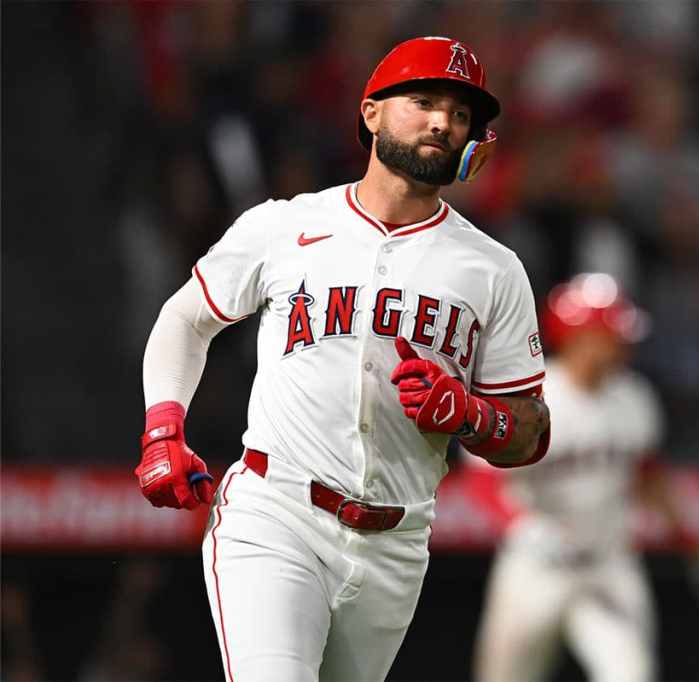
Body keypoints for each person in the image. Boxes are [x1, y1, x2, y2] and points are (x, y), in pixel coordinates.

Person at [132, 36, 551, 682]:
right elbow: (186, 317)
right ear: (371, 112)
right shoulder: (286, 225)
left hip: (397, 543)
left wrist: (472, 415)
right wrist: (163, 424)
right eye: (424, 101)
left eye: (461, 113)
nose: (443, 120)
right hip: (278, 516)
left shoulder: (493, 269)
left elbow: (531, 427)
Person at [473, 273, 699, 682]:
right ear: (579, 336)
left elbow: (649, 478)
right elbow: (482, 480)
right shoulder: (528, 393)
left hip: (608, 563)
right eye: (612, 333)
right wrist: (520, 527)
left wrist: (697, 543)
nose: (624, 343)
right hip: (535, 566)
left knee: (630, 673)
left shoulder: (634, 395)